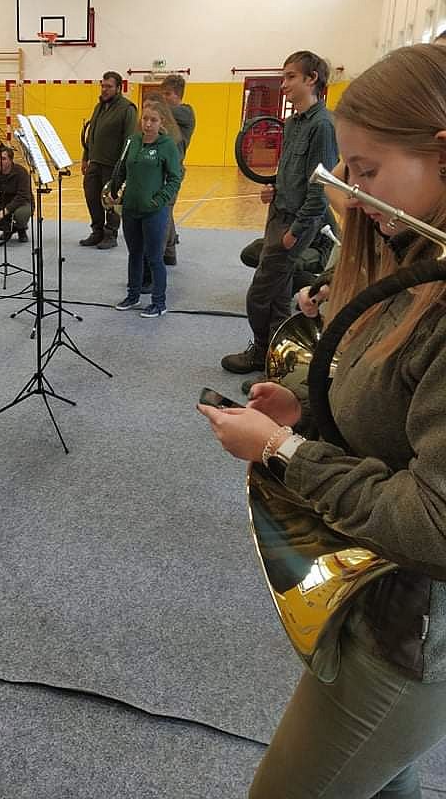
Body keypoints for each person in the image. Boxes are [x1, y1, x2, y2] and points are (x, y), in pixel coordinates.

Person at [200, 42, 446, 799]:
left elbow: (435, 522)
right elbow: (390, 378)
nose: (354, 193)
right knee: (385, 781)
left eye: (367, 171)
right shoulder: (418, 250)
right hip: (385, 604)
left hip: (417, 633)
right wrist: (309, 402)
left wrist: (283, 449)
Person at [221, 50, 338, 379]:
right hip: (278, 214)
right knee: (277, 295)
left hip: (297, 224)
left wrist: (297, 231)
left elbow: (321, 186)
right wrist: (273, 188)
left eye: (290, 77)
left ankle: (263, 351)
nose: (283, 84)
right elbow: (290, 171)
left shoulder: (322, 126)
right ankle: (277, 362)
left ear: (311, 79)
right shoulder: (293, 123)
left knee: (260, 293)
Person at [108, 98, 182, 318]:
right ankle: (133, 295)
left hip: (154, 212)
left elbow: (175, 179)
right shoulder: (132, 141)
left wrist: (159, 200)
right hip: (131, 209)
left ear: (162, 122)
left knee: (154, 258)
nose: (148, 124)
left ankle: (159, 303)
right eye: (145, 119)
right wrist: (114, 191)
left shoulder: (167, 145)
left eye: (153, 120)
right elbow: (122, 168)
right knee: (134, 254)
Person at [80, 71, 138, 250]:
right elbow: (91, 134)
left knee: (112, 200)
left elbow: (129, 140)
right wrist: (85, 157)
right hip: (95, 162)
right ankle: (97, 231)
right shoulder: (99, 107)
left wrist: (122, 168)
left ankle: (110, 233)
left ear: (119, 88)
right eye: (103, 86)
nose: (104, 89)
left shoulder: (127, 109)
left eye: (109, 86)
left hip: (113, 165)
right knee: (91, 197)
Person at [159, 75, 196, 265]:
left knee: (163, 211)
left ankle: (159, 254)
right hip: (160, 169)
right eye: (162, 94)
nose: (164, 98)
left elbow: (159, 110)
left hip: (173, 171)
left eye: (168, 94)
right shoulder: (167, 115)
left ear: (178, 95)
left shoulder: (185, 113)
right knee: (166, 210)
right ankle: (170, 252)